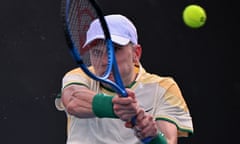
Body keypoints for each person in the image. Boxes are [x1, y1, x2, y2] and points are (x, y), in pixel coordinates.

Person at [55, 14, 193, 144]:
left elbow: (168, 140)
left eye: (114, 50)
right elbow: (73, 101)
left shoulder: (164, 88)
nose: (104, 61)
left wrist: (153, 136)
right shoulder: (79, 76)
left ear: (136, 53)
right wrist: (115, 106)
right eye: (96, 52)